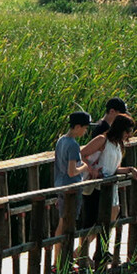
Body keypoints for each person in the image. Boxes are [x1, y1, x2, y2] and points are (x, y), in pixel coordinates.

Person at [81, 113, 137, 227]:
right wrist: (91, 170)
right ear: (119, 129)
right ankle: (89, 239)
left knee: (113, 213)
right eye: (127, 131)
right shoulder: (102, 140)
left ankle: (103, 238)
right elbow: (81, 155)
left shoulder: (119, 145)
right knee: (92, 221)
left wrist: (130, 169)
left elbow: (115, 169)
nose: (128, 135)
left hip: (110, 186)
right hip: (96, 185)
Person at [53, 111, 98, 264]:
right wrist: (84, 167)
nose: (85, 131)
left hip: (60, 186)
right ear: (77, 127)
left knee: (62, 222)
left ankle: (57, 260)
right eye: (85, 128)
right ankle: (63, 262)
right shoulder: (73, 145)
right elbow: (72, 171)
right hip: (71, 188)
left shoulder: (61, 140)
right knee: (68, 223)